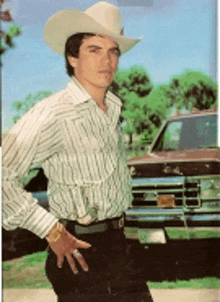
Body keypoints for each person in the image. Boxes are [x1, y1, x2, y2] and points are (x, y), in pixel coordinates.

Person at [3, 2, 154, 301]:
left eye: (113, 51)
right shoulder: (53, 114)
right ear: (72, 57)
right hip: (80, 253)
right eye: (94, 50)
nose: (106, 60)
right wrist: (51, 231)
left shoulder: (112, 109)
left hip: (119, 246)